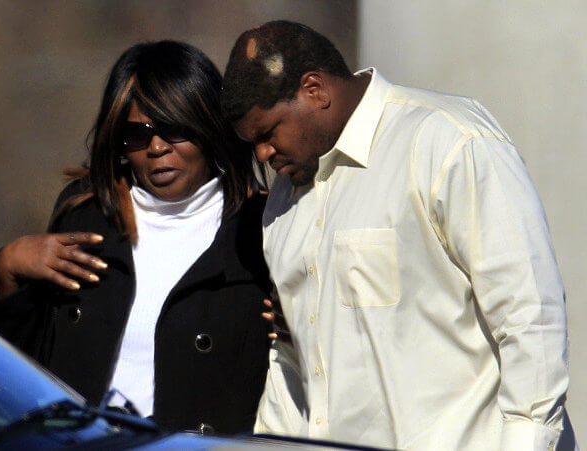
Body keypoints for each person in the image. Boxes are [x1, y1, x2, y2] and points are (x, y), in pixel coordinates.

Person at [220, 20, 575, 450]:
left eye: (267, 132)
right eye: (250, 143)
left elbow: (528, 313)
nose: (262, 153)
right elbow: (294, 360)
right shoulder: (282, 204)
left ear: (315, 90)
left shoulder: (446, 140)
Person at [0, 40, 271, 434]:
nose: (156, 147)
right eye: (136, 135)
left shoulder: (261, 228)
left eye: (174, 128)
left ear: (209, 125)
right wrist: (8, 270)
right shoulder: (85, 213)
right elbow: (13, 368)